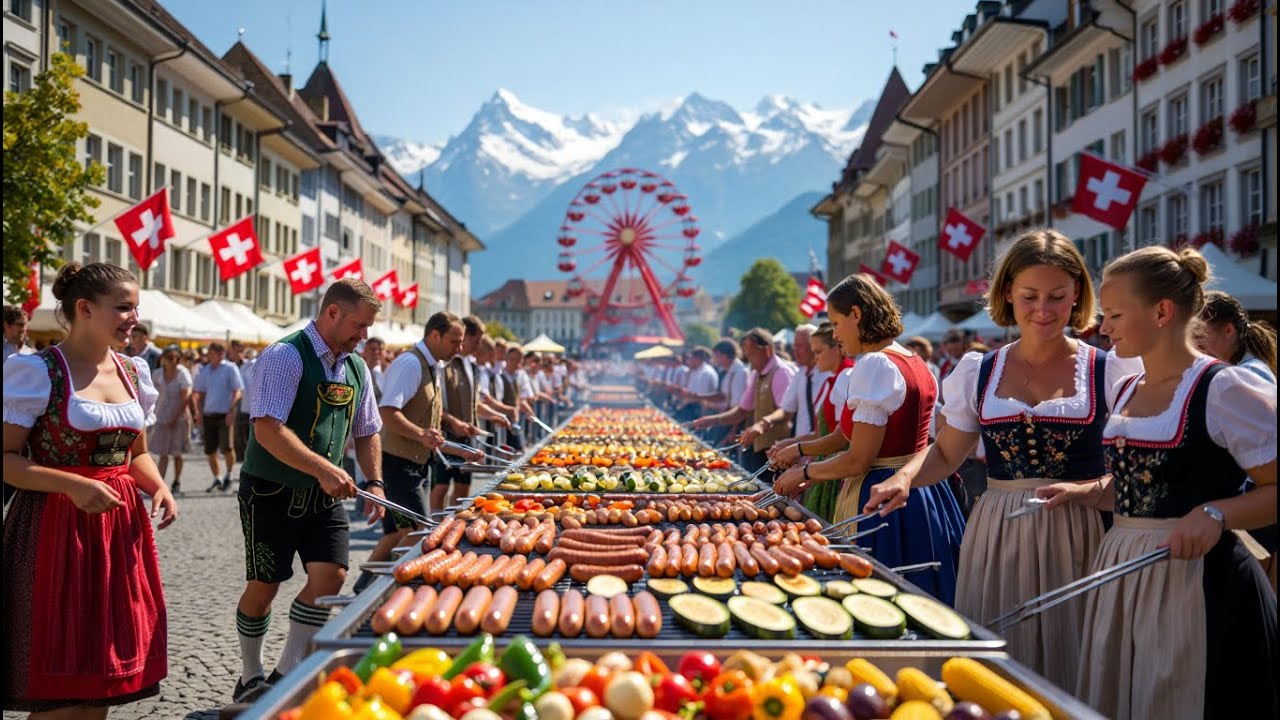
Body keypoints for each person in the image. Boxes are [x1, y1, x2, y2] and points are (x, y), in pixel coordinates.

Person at [864, 230, 1139, 687]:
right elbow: (948, 452)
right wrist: (905, 478)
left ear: (1078, 296)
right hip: (997, 533)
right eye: (1030, 296)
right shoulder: (980, 370)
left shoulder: (1109, 370)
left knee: (1075, 661)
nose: (1044, 310)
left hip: (1080, 532)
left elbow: (1132, 470)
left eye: (1058, 296)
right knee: (997, 670)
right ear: (1008, 292)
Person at [1035, 246, 1278, 719]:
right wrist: (1088, 492)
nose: (1102, 327)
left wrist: (1216, 513)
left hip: (1198, 587)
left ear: (1163, 312)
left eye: (1115, 315)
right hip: (1125, 575)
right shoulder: (1128, 387)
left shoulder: (1223, 388)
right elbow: (1144, 485)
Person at [2, 262, 177, 714]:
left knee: (99, 681)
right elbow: (7, 460)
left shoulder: (134, 372)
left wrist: (158, 486)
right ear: (84, 308)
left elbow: (136, 454)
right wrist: (71, 486)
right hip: (54, 531)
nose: (133, 319)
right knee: (57, 689)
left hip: (118, 533)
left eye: (134, 308)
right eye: (122, 308)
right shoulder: (37, 372)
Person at [231, 278, 387, 703]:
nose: (365, 335)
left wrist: (372, 480)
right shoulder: (286, 355)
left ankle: (284, 675)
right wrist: (323, 468)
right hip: (270, 490)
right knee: (264, 587)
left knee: (331, 578)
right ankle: (250, 672)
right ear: (332, 313)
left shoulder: (356, 366)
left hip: (325, 495)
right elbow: (268, 430)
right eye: (359, 325)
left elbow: (368, 430)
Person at [773, 274, 966, 604]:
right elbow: (845, 435)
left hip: (883, 497)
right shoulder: (914, 360)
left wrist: (804, 472)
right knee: (922, 591)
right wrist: (801, 450)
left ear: (856, 315)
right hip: (926, 489)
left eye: (836, 322)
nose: (834, 334)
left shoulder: (874, 364)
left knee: (881, 594)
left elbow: (858, 459)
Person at [356, 312, 481, 593]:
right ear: (434, 335)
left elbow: (429, 432)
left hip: (411, 465)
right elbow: (388, 413)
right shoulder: (411, 364)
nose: (458, 349)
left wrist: (460, 451)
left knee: (394, 533)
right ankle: (388, 588)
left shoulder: (432, 366)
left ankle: (363, 588)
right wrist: (422, 435)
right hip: (395, 465)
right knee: (418, 530)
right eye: (454, 341)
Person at [767, 322, 854, 521]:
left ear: (838, 348)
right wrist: (789, 445)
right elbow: (821, 432)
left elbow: (842, 438)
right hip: (825, 466)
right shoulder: (835, 379)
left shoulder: (846, 377)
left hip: (837, 469)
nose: (815, 358)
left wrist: (797, 450)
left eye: (818, 351)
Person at [692, 328, 796, 474]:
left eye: (750, 354)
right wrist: (712, 420)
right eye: (746, 355)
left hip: (777, 448)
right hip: (758, 446)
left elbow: (786, 411)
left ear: (767, 350)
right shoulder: (755, 374)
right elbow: (742, 411)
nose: (748, 360)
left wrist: (762, 423)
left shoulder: (781, 373)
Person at [743, 324, 823, 448]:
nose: (795, 350)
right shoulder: (800, 375)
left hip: (820, 448)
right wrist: (765, 422)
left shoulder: (827, 374)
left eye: (800, 346)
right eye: (794, 345)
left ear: (814, 346)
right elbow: (786, 411)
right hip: (802, 449)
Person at [1194, 290, 1277, 384]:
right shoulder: (1240, 371)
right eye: (1189, 337)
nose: (1194, 343)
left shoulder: (1250, 373)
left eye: (1199, 335)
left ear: (1228, 330)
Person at [193, 342, 244, 492]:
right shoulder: (205, 370)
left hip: (224, 414)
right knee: (210, 450)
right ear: (210, 353)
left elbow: (238, 391)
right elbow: (199, 394)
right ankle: (217, 477)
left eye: (221, 352)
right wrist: (198, 412)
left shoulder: (230, 368)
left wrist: (231, 411)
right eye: (216, 352)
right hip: (209, 414)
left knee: (227, 447)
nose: (220, 354)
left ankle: (229, 474)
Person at [150, 344, 194, 495]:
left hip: (179, 417)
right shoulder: (157, 374)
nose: (172, 361)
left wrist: (175, 418)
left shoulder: (183, 373)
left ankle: (176, 481)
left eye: (175, 358)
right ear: (163, 359)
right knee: (162, 452)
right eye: (169, 358)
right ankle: (160, 484)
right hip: (161, 415)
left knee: (177, 452)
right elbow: (151, 395)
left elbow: (186, 398)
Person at [673, 347, 719, 422]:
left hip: (701, 410)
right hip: (692, 407)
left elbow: (701, 396)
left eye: (691, 358)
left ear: (697, 359)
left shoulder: (706, 373)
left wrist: (687, 394)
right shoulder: (695, 370)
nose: (688, 361)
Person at [228, 340, 255, 466]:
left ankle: (246, 462)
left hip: (246, 405)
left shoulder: (250, 365)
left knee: (244, 434)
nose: (236, 354)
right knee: (235, 436)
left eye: (239, 351)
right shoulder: (227, 366)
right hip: (230, 405)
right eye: (234, 351)